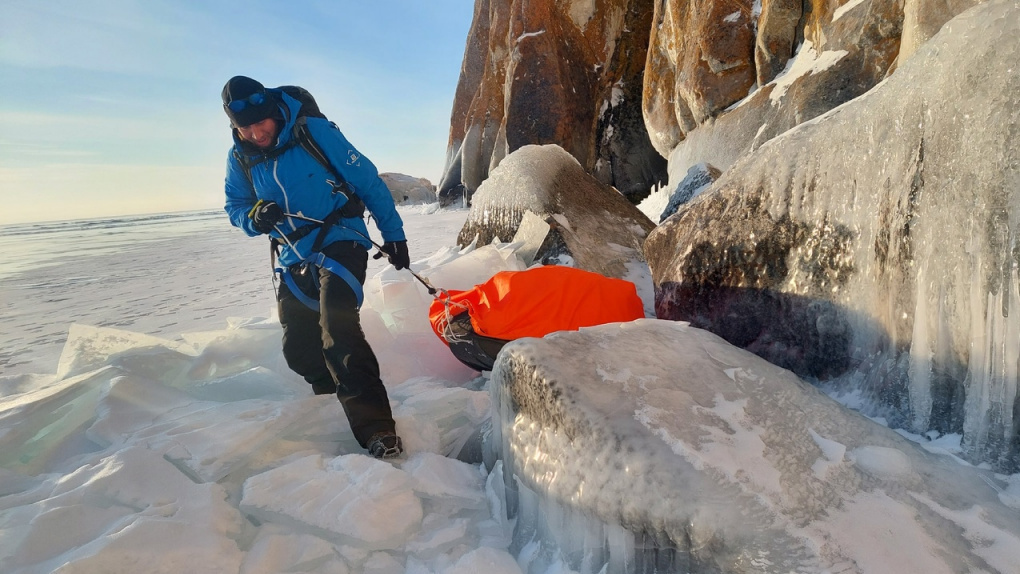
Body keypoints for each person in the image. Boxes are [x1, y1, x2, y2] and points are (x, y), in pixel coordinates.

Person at [221, 75, 409, 458]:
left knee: (337, 327)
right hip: (292, 256)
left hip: (341, 238)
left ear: (274, 113)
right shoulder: (239, 157)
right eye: (246, 128)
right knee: (300, 350)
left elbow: (367, 180)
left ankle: (377, 429)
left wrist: (394, 235)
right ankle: (328, 399)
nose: (257, 134)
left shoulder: (313, 132)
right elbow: (235, 207)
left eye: (262, 125)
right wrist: (254, 218)